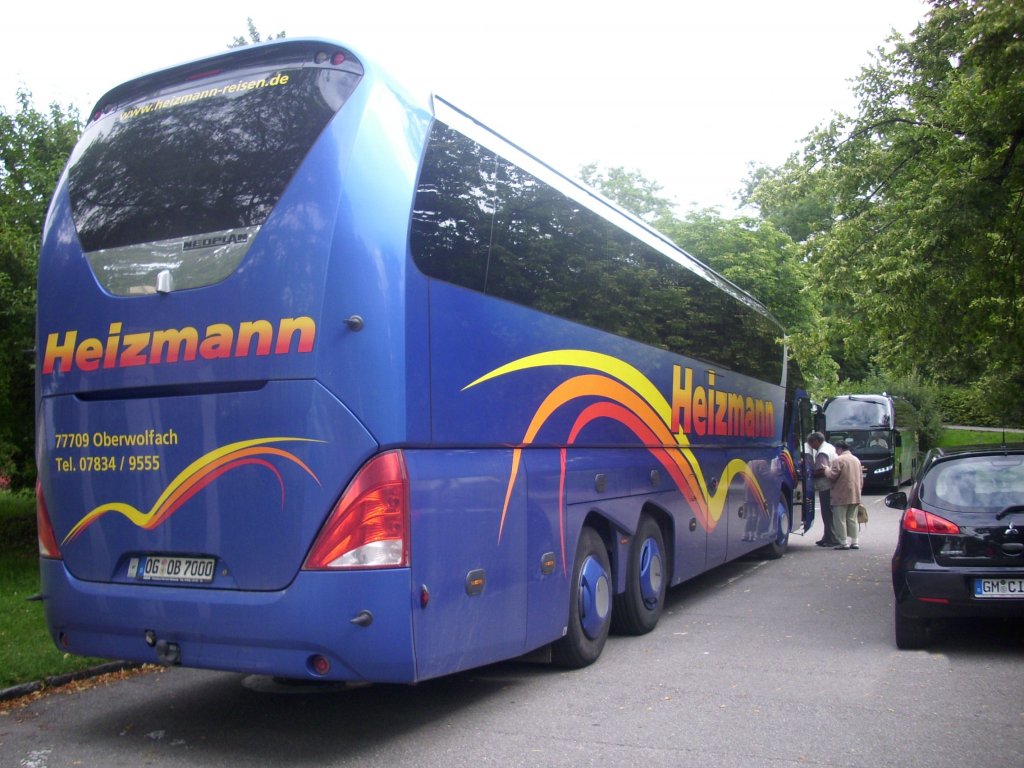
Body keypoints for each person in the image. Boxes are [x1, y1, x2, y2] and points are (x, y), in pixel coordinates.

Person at [826, 441, 864, 550]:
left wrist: (826, 469)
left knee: (840, 519)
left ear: (839, 449)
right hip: (855, 494)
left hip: (841, 494)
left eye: (836, 449)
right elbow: (861, 478)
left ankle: (843, 542)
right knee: (852, 518)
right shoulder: (856, 459)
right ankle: (855, 541)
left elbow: (832, 475)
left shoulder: (839, 460)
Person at [806, 432, 839, 547]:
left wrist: (809, 474)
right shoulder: (829, 447)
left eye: (811, 443)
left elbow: (821, 469)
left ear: (816, 441)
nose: (811, 446)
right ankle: (827, 536)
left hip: (825, 485)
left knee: (827, 513)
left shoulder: (822, 452)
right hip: (831, 484)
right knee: (830, 512)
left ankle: (832, 538)